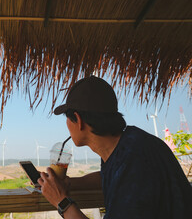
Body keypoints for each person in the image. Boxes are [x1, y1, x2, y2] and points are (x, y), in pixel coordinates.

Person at [37, 76, 192, 219]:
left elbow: (128, 178)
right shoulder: (131, 144)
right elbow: (108, 176)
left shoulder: (135, 163)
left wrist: (62, 202)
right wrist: (69, 184)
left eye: (67, 118)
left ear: (78, 120)